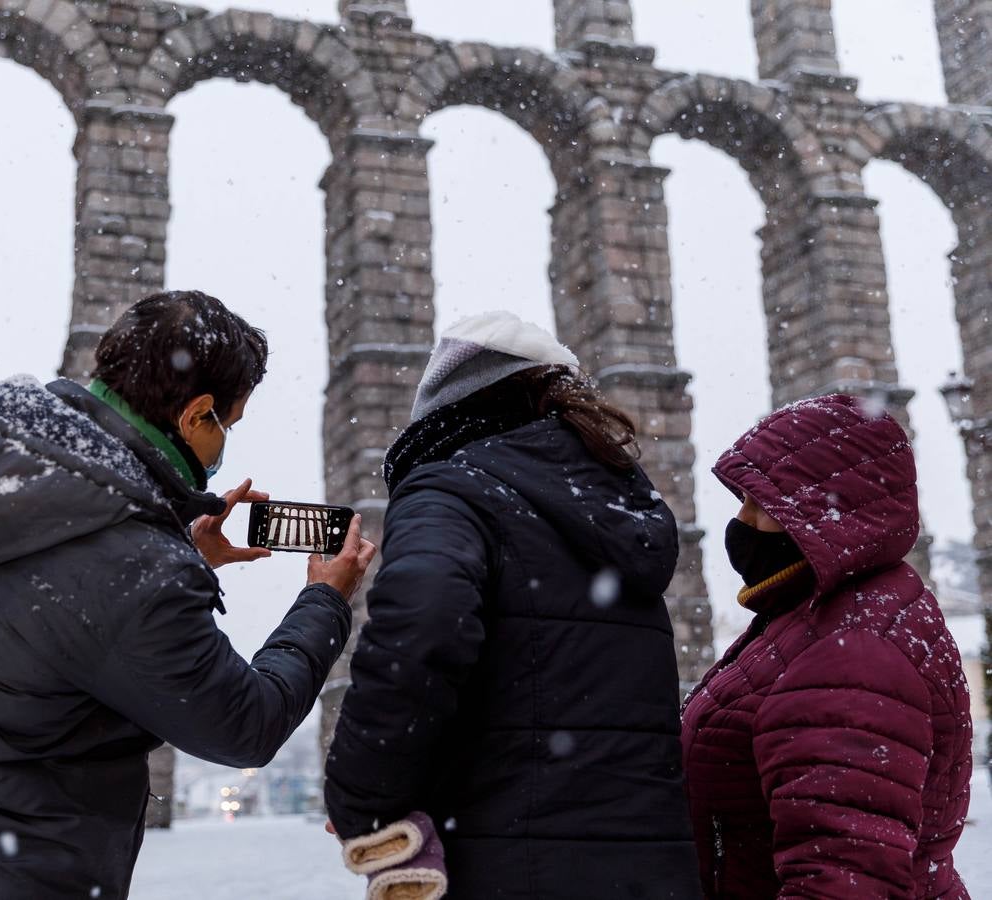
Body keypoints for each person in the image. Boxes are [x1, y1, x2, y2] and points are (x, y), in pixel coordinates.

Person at [0, 291, 375, 900]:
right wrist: (326, 598)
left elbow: (44, 608)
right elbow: (245, 724)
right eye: (226, 425)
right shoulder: (137, 571)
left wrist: (173, 547)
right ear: (195, 416)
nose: (222, 444)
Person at [324, 311, 700, 898]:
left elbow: (420, 630)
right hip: (648, 868)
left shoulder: (451, 490)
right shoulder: (620, 505)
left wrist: (362, 802)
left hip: (508, 860)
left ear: (446, 412)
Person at [681, 394, 974, 898]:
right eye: (743, 501)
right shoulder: (820, 613)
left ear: (824, 509)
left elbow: (843, 878)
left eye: (763, 504)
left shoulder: (853, 650)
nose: (743, 521)